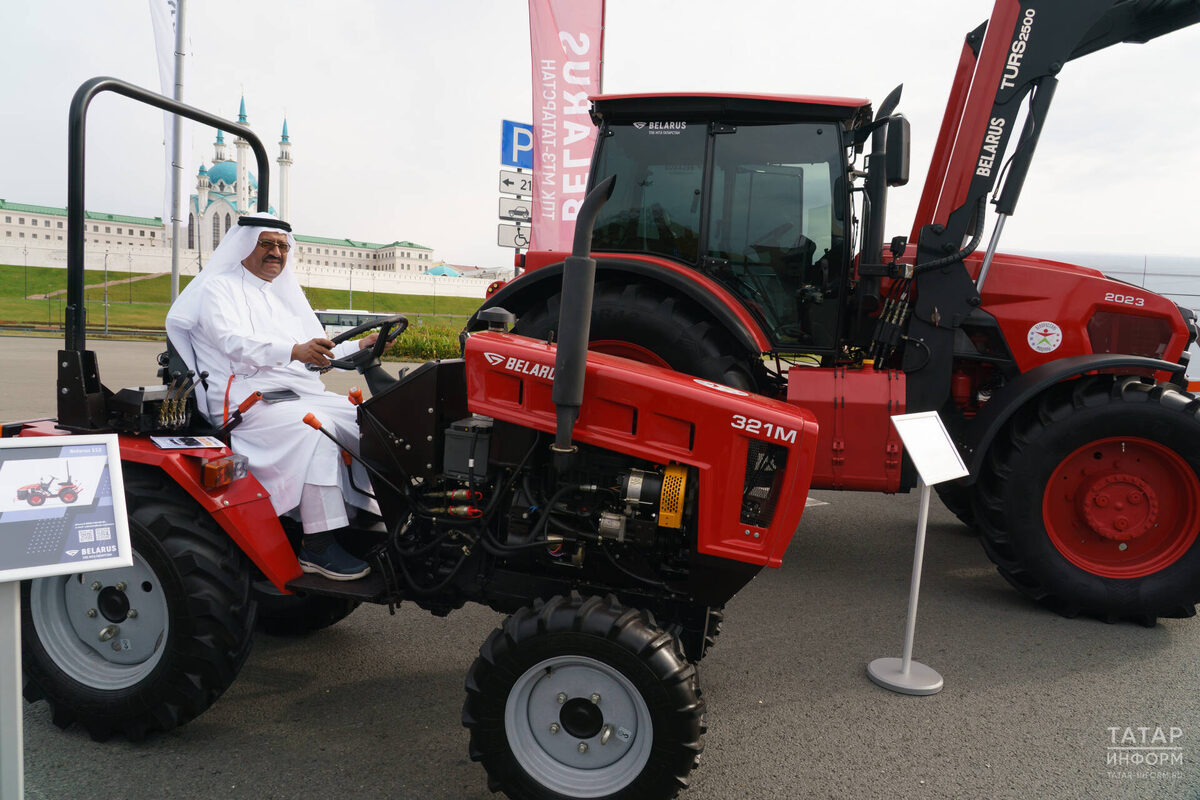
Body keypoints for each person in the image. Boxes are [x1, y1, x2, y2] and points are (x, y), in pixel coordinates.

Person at [166, 212, 378, 580]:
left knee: (369, 418)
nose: (276, 252)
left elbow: (317, 352)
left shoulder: (282, 296)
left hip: (293, 393)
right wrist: (295, 350)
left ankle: (367, 516)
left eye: (282, 246)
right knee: (317, 430)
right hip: (244, 399)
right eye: (267, 244)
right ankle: (318, 544)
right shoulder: (217, 288)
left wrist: (361, 346)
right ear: (246, 244)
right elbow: (234, 344)